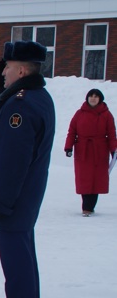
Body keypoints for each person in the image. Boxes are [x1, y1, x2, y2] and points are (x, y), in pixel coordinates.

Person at [0, 41, 55, 298]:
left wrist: (1, 201)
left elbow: (13, 160)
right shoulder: (37, 97)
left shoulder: (21, 106)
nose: (4, 74)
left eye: (7, 68)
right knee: (22, 252)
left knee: (15, 257)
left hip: (14, 199)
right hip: (25, 196)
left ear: (22, 70)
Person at [64, 88, 117, 216]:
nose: (93, 98)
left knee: (97, 179)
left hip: (99, 150)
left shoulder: (107, 115)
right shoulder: (79, 114)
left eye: (96, 96)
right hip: (83, 150)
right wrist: (69, 147)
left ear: (100, 99)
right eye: (91, 96)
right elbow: (72, 131)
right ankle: (86, 206)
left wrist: (114, 151)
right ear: (87, 98)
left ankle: (90, 206)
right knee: (84, 178)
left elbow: (111, 134)